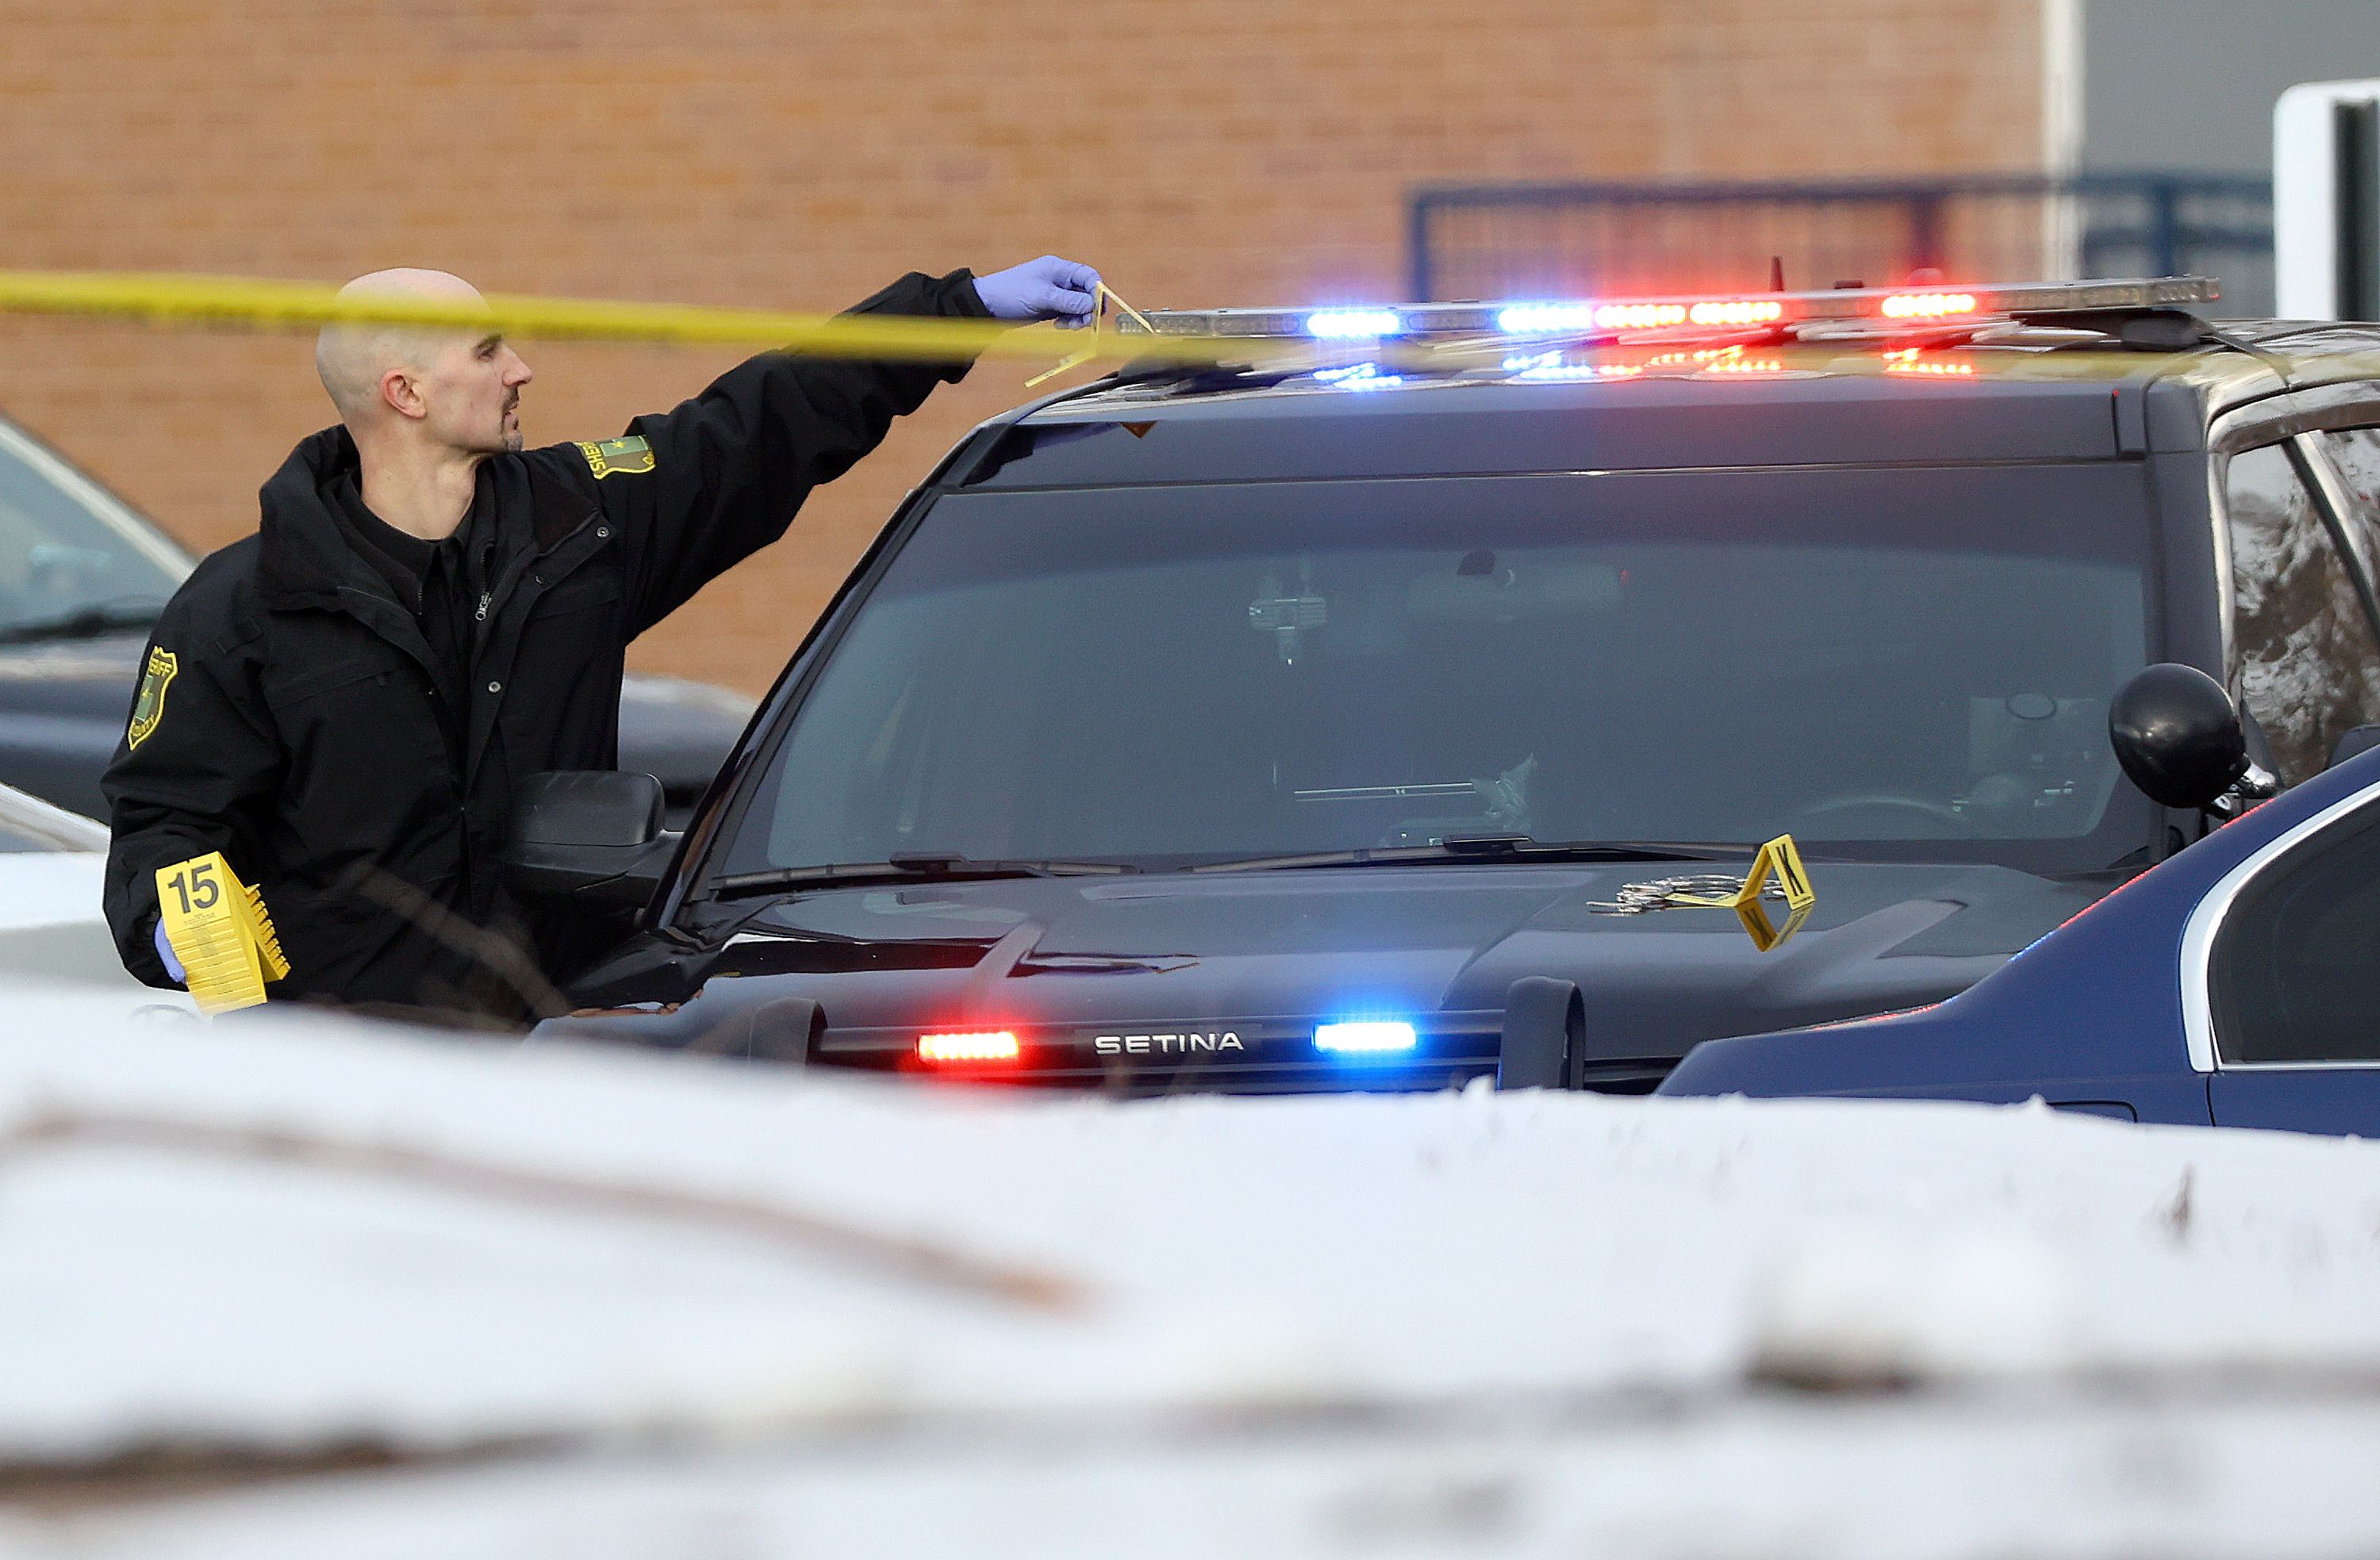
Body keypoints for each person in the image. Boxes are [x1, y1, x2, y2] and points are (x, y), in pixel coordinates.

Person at [102, 256, 1100, 1020]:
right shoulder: (244, 606)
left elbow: (759, 424)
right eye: (489, 352)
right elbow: (163, 822)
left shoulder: (580, 526)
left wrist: (954, 310)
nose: (521, 370)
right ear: (404, 393)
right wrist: (175, 924)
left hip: (564, 1051)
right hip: (352, 1088)